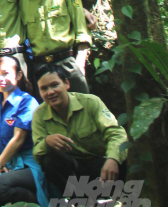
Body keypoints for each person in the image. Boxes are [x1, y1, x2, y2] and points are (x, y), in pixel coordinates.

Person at [32, 64, 127, 195]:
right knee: (49, 161)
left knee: (122, 158)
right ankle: (79, 205)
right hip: (73, 172)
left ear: (66, 84)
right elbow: (37, 153)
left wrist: (112, 159)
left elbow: (116, 133)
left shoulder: (90, 102)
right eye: (44, 89)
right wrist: (46, 142)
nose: (50, 92)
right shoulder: (39, 115)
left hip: (101, 165)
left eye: (55, 85)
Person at [18, 0, 91, 94]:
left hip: (67, 63)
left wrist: (80, 63)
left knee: (82, 107)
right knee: (50, 113)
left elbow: (81, 30)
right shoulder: (22, 0)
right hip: (40, 67)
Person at [0, 56, 48, 207]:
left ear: (18, 75)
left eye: (5, 73)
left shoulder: (27, 102)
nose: (0, 78)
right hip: (7, 163)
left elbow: (18, 140)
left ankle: (40, 206)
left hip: (29, 164)